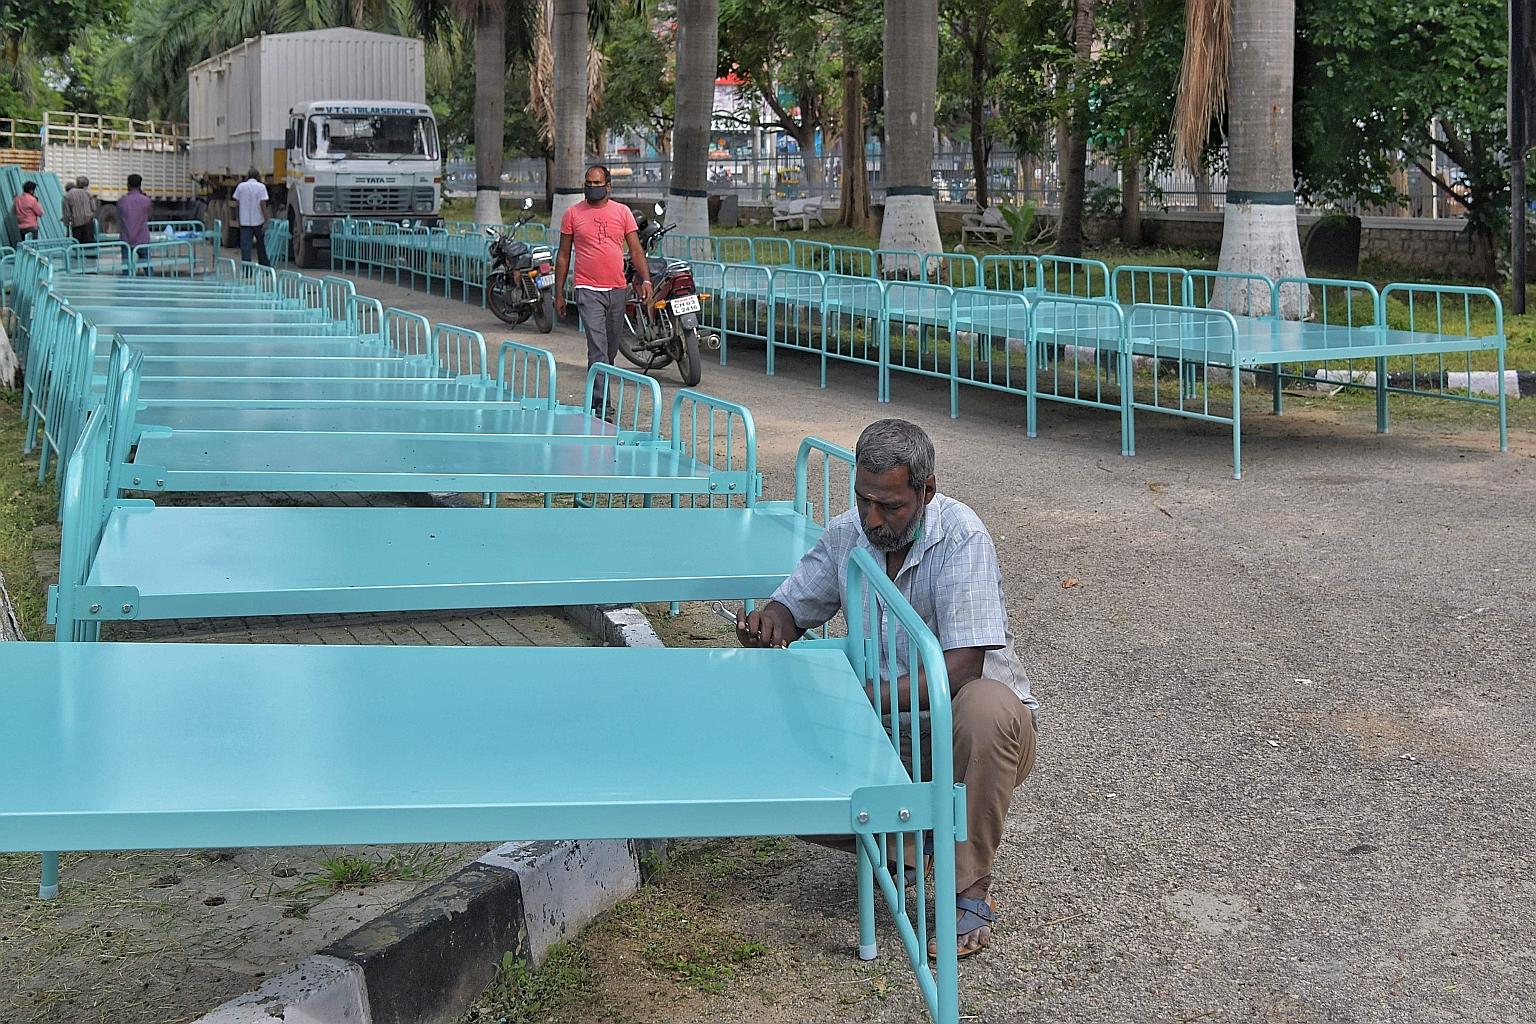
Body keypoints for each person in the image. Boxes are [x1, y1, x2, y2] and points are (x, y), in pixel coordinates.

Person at [737, 418, 1037, 960]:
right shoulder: (849, 531)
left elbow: (962, 667)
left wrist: (861, 699)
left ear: (927, 490)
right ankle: (915, 840)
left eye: (890, 506)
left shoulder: (962, 536)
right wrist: (768, 623)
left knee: (986, 708)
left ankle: (968, 886)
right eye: (864, 499)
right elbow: (792, 607)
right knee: (778, 781)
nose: (873, 518)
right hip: (888, 732)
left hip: (967, 736)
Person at [553, 165, 652, 416]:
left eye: (597, 183)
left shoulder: (622, 212)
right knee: (598, 348)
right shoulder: (572, 214)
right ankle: (602, 404)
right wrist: (559, 293)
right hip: (587, 290)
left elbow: (636, 250)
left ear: (608, 186)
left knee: (610, 349)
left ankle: (598, 396)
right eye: (588, 183)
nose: (592, 187)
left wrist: (646, 280)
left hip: (617, 290)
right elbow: (563, 255)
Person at [233, 168, 271, 266]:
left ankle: (247, 269)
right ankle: (264, 266)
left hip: (244, 221)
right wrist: (266, 219)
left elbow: (237, 204)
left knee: (246, 247)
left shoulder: (241, 187)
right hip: (258, 221)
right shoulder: (261, 187)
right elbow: (263, 204)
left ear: (248, 176)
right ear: (258, 176)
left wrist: (238, 218)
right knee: (261, 245)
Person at [117, 173, 153, 274]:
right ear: (140, 185)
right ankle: (151, 280)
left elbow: (119, 216)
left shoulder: (121, 201)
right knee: (147, 266)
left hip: (126, 239)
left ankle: (127, 282)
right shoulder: (146, 201)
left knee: (126, 268)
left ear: (128, 185)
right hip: (142, 238)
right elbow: (149, 216)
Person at [63, 176, 97, 245]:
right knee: (89, 245)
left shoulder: (67, 196)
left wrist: (67, 225)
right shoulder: (87, 194)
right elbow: (94, 208)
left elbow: (67, 214)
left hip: (76, 224)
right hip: (88, 222)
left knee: (78, 245)